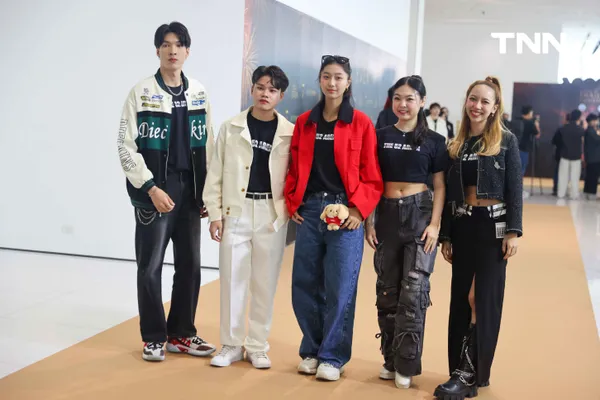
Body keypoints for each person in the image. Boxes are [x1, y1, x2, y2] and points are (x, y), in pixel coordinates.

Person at [116, 21, 216, 361]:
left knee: (191, 266)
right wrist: (150, 188)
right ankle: (154, 337)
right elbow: (125, 146)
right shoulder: (142, 92)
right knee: (150, 267)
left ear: (188, 51)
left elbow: (209, 143)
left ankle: (182, 334)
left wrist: (207, 191)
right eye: (166, 44)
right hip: (155, 190)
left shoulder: (198, 91)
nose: (173, 50)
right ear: (157, 50)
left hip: (190, 191)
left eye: (178, 45)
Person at [284, 55, 383, 381]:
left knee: (340, 286)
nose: (332, 83)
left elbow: (372, 175)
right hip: (311, 210)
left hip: (345, 212)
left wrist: (358, 210)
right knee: (304, 283)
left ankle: (332, 356)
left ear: (348, 82)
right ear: (320, 80)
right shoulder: (305, 122)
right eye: (327, 76)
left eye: (338, 77)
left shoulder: (361, 123)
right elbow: (293, 166)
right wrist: (293, 200)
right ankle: (312, 350)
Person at [435, 76, 523, 400]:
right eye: (473, 99)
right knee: (462, 298)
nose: (477, 106)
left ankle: (469, 371)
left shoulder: (506, 141)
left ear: (495, 107)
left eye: (485, 101)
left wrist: (513, 230)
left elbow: (515, 188)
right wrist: (446, 235)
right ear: (466, 101)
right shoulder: (457, 144)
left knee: (480, 297)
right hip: (463, 226)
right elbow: (449, 193)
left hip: (493, 228)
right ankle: (461, 369)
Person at [202, 66, 294, 369]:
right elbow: (215, 171)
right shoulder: (231, 128)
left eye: (272, 90)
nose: (265, 94)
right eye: (260, 87)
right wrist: (215, 214)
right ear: (252, 89)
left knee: (264, 282)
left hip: (270, 213)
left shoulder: (290, 132)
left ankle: (257, 346)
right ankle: (230, 344)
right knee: (232, 279)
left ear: (281, 96)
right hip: (236, 211)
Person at [365, 75, 447, 389]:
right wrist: (369, 220)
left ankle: (407, 364)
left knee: (414, 291)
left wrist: (435, 225)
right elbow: (371, 180)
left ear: (422, 102)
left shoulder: (434, 141)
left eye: (410, 98)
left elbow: (440, 186)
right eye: (398, 98)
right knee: (387, 292)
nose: (403, 104)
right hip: (385, 214)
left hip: (419, 215)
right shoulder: (380, 136)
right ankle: (390, 359)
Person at [557, 109, 586, 200]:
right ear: (579, 118)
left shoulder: (563, 128)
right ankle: (574, 194)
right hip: (576, 156)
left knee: (562, 176)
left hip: (564, 155)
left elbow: (556, 141)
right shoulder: (581, 130)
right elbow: (584, 142)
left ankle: (561, 194)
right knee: (575, 177)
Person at [583, 113, 600, 199]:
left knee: (590, 176)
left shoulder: (590, 130)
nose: (597, 122)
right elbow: (598, 140)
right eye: (596, 120)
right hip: (594, 158)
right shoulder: (590, 131)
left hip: (591, 158)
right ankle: (591, 193)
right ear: (592, 121)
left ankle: (588, 193)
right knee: (593, 177)